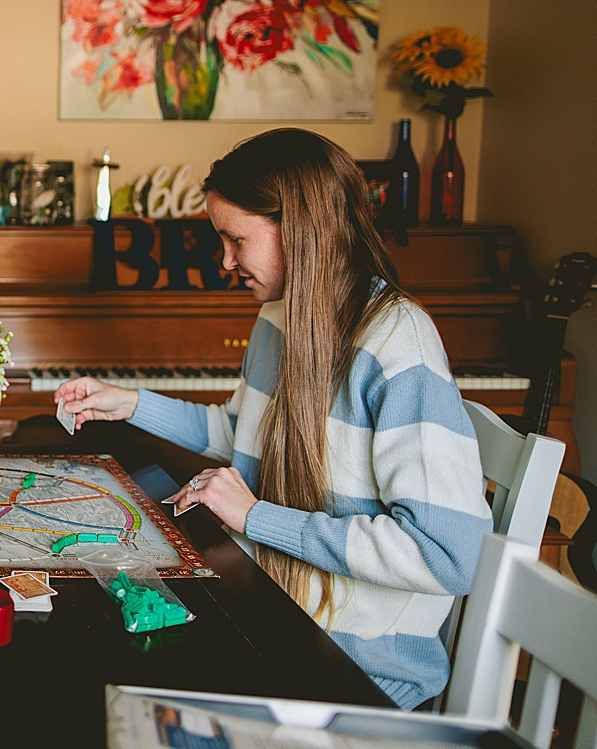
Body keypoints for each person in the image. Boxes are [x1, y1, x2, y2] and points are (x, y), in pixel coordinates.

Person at [55, 128, 491, 710]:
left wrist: (257, 516)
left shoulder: (397, 343)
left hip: (355, 670)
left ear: (302, 230)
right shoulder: (278, 318)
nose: (225, 260)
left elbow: (445, 554)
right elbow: (243, 439)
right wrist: (131, 403)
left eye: (235, 239)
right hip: (273, 611)